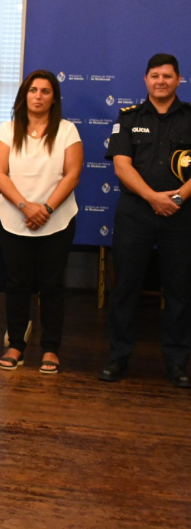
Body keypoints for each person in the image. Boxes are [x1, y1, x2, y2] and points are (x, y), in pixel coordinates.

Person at [101, 53, 191, 388]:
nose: (161, 81)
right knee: (125, 288)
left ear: (178, 80)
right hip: (136, 213)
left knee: (180, 290)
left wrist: (177, 198)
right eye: (155, 75)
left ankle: (178, 364)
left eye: (167, 76)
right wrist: (155, 198)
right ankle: (117, 358)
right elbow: (122, 166)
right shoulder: (128, 118)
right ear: (145, 80)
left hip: (182, 214)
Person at [0, 70, 82, 374]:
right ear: (24, 95)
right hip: (14, 218)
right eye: (33, 90)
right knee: (17, 284)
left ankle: (51, 349)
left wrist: (45, 209)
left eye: (45, 91)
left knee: (52, 285)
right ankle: (16, 344)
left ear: (53, 98)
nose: (38, 96)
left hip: (56, 220)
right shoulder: (7, 129)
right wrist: (25, 206)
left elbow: (72, 174)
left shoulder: (67, 130)